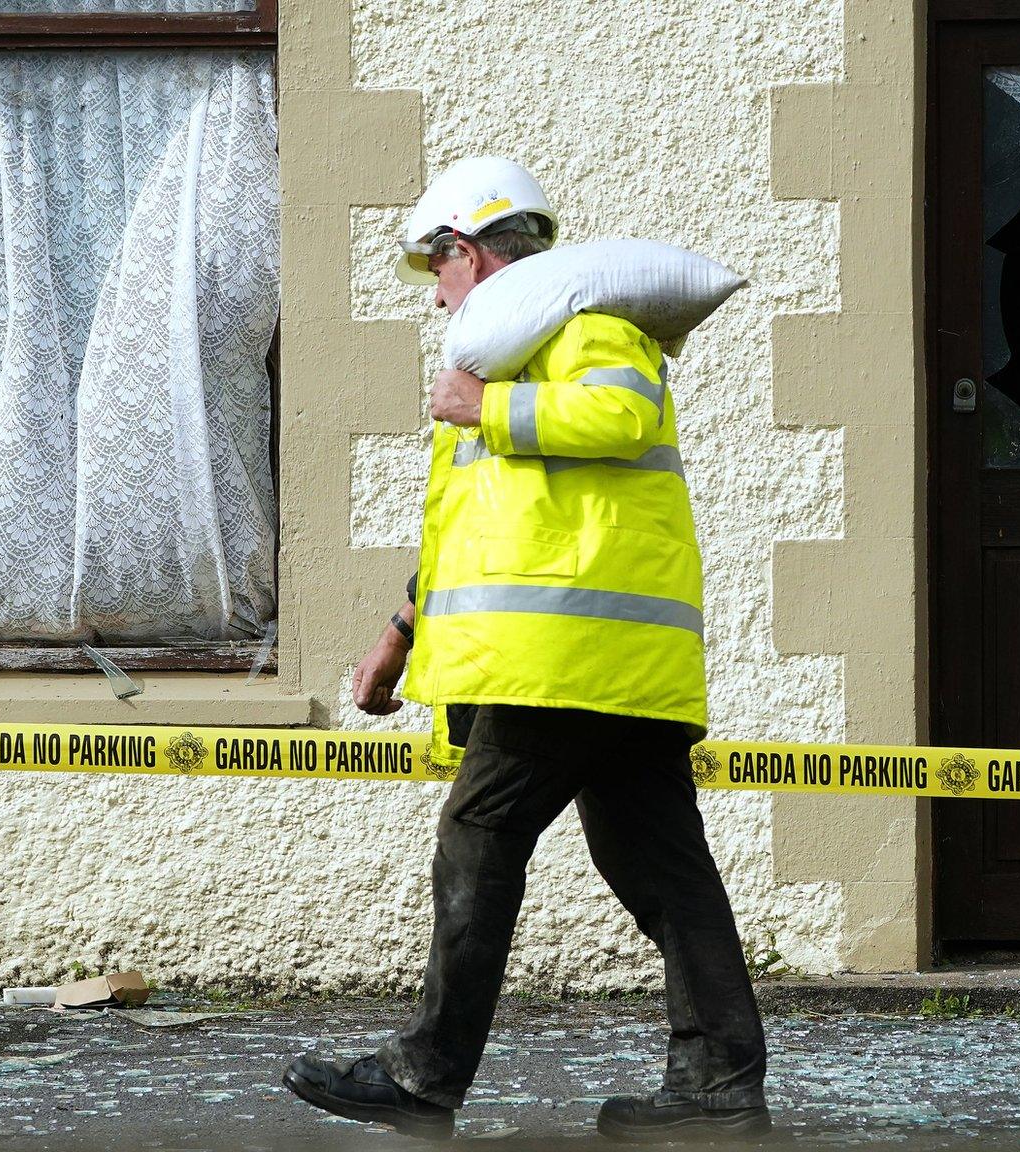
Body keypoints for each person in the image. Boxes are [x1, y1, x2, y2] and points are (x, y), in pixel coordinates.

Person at [281, 156, 770, 1142]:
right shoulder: (514, 349)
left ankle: (423, 1078)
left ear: (465, 249)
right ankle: (717, 1088)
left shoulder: (586, 329)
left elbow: (623, 414)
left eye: (438, 271)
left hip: (560, 665)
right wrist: (400, 631)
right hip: (599, 668)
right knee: (662, 873)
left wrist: (486, 410)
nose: (437, 296)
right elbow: (477, 534)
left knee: (479, 841)